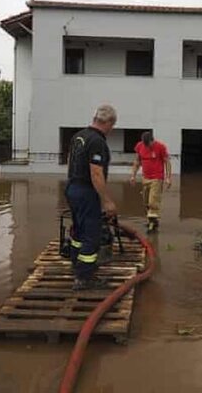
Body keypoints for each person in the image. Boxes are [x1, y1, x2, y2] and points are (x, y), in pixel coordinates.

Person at [65, 104, 118, 290]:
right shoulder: (97, 141)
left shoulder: (78, 136)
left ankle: (77, 266)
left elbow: (70, 162)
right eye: (112, 126)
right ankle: (84, 278)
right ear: (109, 122)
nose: (111, 130)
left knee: (78, 231)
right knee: (91, 235)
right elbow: (96, 173)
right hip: (86, 191)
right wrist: (107, 201)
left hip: (72, 188)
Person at [130, 131, 171, 232]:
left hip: (157, 178)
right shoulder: (140, 146)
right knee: (146, 202)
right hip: (145, 178)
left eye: (149, 144)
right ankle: (152, 220)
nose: (147, 146)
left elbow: (167, 162)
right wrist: (133, 175)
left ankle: (152, 225)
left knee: (153, 201)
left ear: (153, 140)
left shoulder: (160, 147)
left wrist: (168, 177)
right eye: (145, 144)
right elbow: (137, 161)